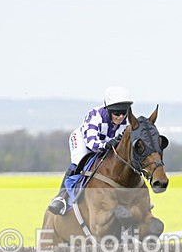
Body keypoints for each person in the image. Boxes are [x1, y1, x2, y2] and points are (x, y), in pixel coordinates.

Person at [47, 86, 133, 215]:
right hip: (84, 141)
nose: (121, 117)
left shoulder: (126, 121)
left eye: (123, 113)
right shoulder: (95, 116)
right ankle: (61, 198)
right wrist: (106, 145)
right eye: (116, 113)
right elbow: (92, 143)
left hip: (106, 143)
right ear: (108, 110)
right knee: (78, 161)